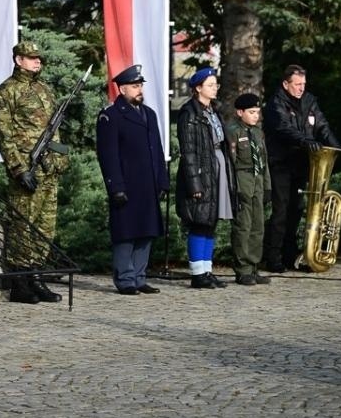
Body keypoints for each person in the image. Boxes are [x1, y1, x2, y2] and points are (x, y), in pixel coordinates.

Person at [0, 40, 68, 304]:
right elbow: (3, 134)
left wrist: (59, 161)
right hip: (27, 170)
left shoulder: (45, 90)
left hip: (48, 170)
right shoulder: (6, 91)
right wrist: (18, 168)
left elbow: (53, 130)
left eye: (39, 58)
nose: (37, 62)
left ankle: (36, 277)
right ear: (18, 60)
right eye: (31, 57)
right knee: (22, 226)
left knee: (45, 227)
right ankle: (20, 282)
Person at [95, 65, 169, 296]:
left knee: (146, 231)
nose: (139, 90)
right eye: (135, 86)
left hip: (148, 183)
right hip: (126, 184)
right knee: (126, 233)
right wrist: (115, 186)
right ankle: (125, 278)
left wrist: (162, 180)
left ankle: (139, 277)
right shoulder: (111, 116)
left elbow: (156, 149)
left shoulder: (149, 114)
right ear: (123, 88)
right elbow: (108, 155)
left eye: (140, 86)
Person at [262, 64, 340, 273]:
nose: (301, 88)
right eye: (297, 84)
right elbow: (282, 128)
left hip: (301, 164)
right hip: (281, 164)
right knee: (281, 210)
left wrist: (336, 149)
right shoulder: (275, 103)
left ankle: (290, 254)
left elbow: (322, 125)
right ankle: (273, 257)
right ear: (286, 84)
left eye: (303, 84)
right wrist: (306, 141)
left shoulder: (309, 101)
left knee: (296, 210)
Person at [175, 66, 237, 288]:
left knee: (210, 221)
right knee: (198, 221)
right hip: (201, 171)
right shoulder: (189, 113)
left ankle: (207, 270)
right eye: (210, 85)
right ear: (198, 88)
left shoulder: (214, 111)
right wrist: (195, 184)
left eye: (216, 85)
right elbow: (189, 151)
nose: (215, 89)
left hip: (217, 167)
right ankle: (197, 273)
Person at [226, 92, 271, 286]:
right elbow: (231, 163)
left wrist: (268, 186)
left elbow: (264, 162)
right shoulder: (233, 131)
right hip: (242, 181)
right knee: (243, 227)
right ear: (240, 112)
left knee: (258, 226)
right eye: (252, 112)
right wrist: (234, 187)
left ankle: (253, 267)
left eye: (257, 112)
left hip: (258, 181)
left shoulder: (258, 133)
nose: (256, 116)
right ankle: (242, 269)